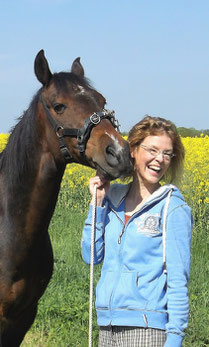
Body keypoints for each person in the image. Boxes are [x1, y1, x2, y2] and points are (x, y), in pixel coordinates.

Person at [81, 115, 193, 347]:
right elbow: (91, 256)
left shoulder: (173, 207)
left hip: (147, 329)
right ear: (132, 150)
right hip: (107, 326)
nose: (159, 160)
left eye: (167, 154)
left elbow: (178, 279)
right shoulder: (112, 199)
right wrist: (98, 205)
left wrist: (175, 339)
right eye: (152, 150)